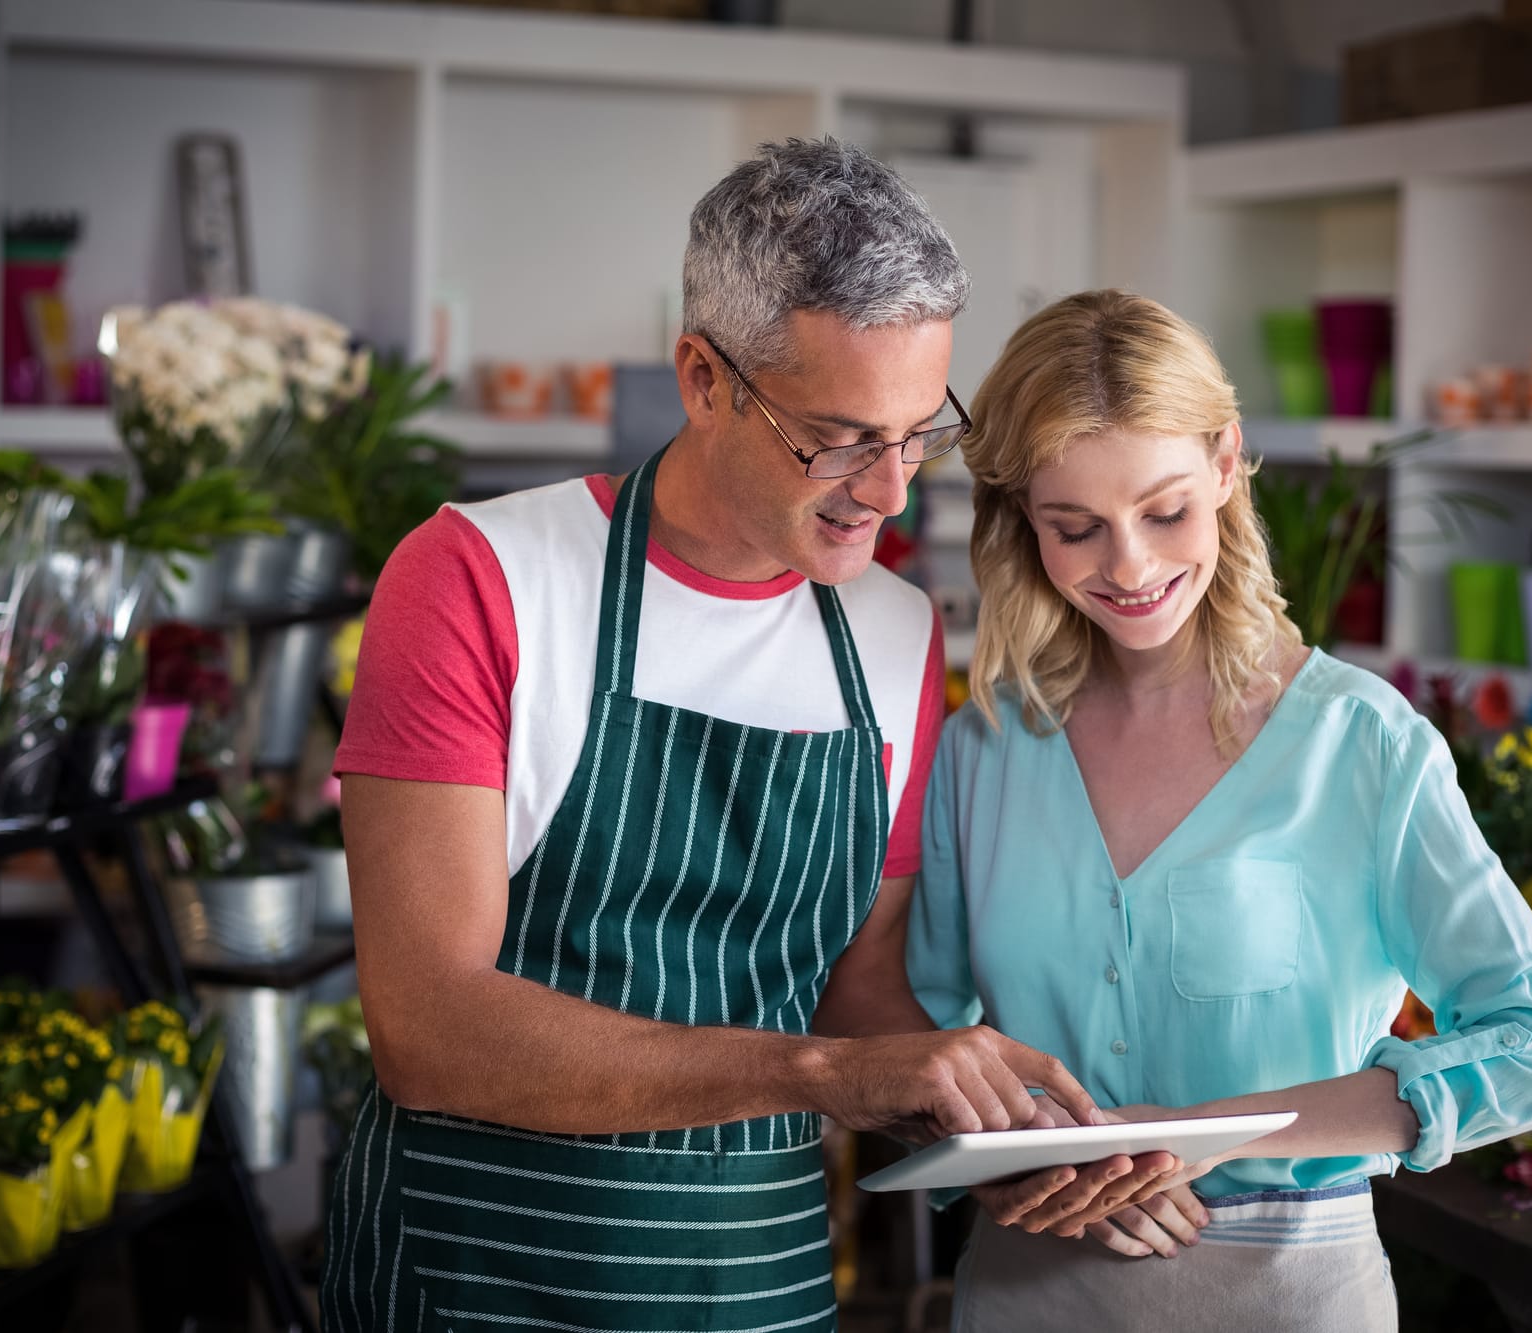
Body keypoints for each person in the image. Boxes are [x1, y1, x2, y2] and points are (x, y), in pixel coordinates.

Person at [321, 142, 1174, 1333]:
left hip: (755, 1279)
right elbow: (428, 1027)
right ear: (703, 377)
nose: (885, 492)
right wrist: (825, 1077)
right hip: (481, 1272)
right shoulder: (482, 578)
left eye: (918, 431)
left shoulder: (891, 632)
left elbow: (852, 984)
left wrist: (992, 1127)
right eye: (835, 435)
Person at [907, 289, 1532, 1331]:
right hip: (1026, 1288)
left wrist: (1194, 1134)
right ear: (1019, 523)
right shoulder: (982, 749)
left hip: (1289, 1295)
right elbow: (921, 1033)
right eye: (1075, 527)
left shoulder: (1360, 744)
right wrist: (1025, 1163)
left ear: (1224, 464)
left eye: (1164, 509)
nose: (1128, 566)